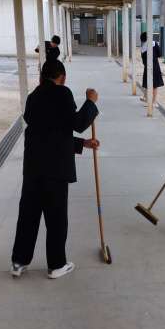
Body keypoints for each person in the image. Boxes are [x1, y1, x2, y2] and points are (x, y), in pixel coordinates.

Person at [11, 59, 99, 279]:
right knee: (56, 218)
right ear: (62, 77)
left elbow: (49, 131)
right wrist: (90, 102)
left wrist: (82, 144)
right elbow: (77, 123)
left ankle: (19, 262)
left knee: (28, 215)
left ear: (42, 76)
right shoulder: (63, 93)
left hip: (33, 168)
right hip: (55, 170)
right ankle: (57, 265)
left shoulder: (33, 97)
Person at [140, 31, 164, 106]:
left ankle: (146, 98)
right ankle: (154, 102)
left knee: (148, 84)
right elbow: (160, 54)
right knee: (155, 85)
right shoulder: (154, 43)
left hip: (147, 68)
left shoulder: (143, 48)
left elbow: (143, 61)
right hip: (155, 67)